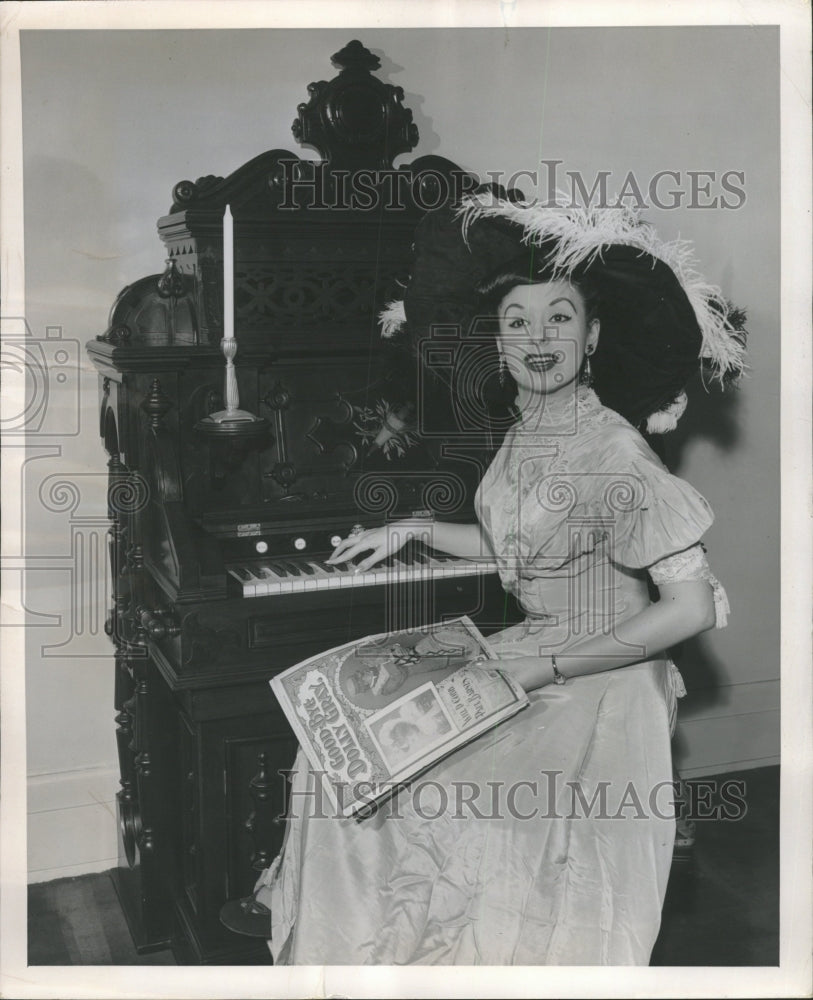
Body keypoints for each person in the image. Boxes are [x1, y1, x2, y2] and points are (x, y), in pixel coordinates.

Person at [250, 191, 745, 965]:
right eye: (517, 322)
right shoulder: (529, 429)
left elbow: (688, 609)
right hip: (526, 654)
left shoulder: (615, 451)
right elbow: (524, 537)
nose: (537, 337)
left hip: (602, 682)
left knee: (470, 825)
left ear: (592, 336)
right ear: (496, 341)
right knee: (331, 761)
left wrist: (543, 665)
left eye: (559, 318)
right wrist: (413, 528)